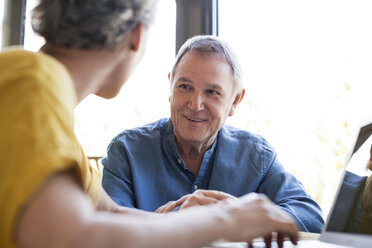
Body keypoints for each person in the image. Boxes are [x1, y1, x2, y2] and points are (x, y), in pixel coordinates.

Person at [0, 1, 300, 248]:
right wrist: (225, 221)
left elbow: (114, 214)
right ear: (137, 36)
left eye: (212, 91)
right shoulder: (32, 82)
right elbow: (75, 237)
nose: (195, 104)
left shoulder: (43, 101)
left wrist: (221, 215)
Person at [102, 35, 324, 233]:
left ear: (235, 101)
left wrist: (238, 216)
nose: (195, 104)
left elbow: (311, 218)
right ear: (170, 87)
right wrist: (193, 221)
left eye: (212, 92)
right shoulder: (127, 151)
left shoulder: (257, 156)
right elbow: (108, 230)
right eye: (185, 87)